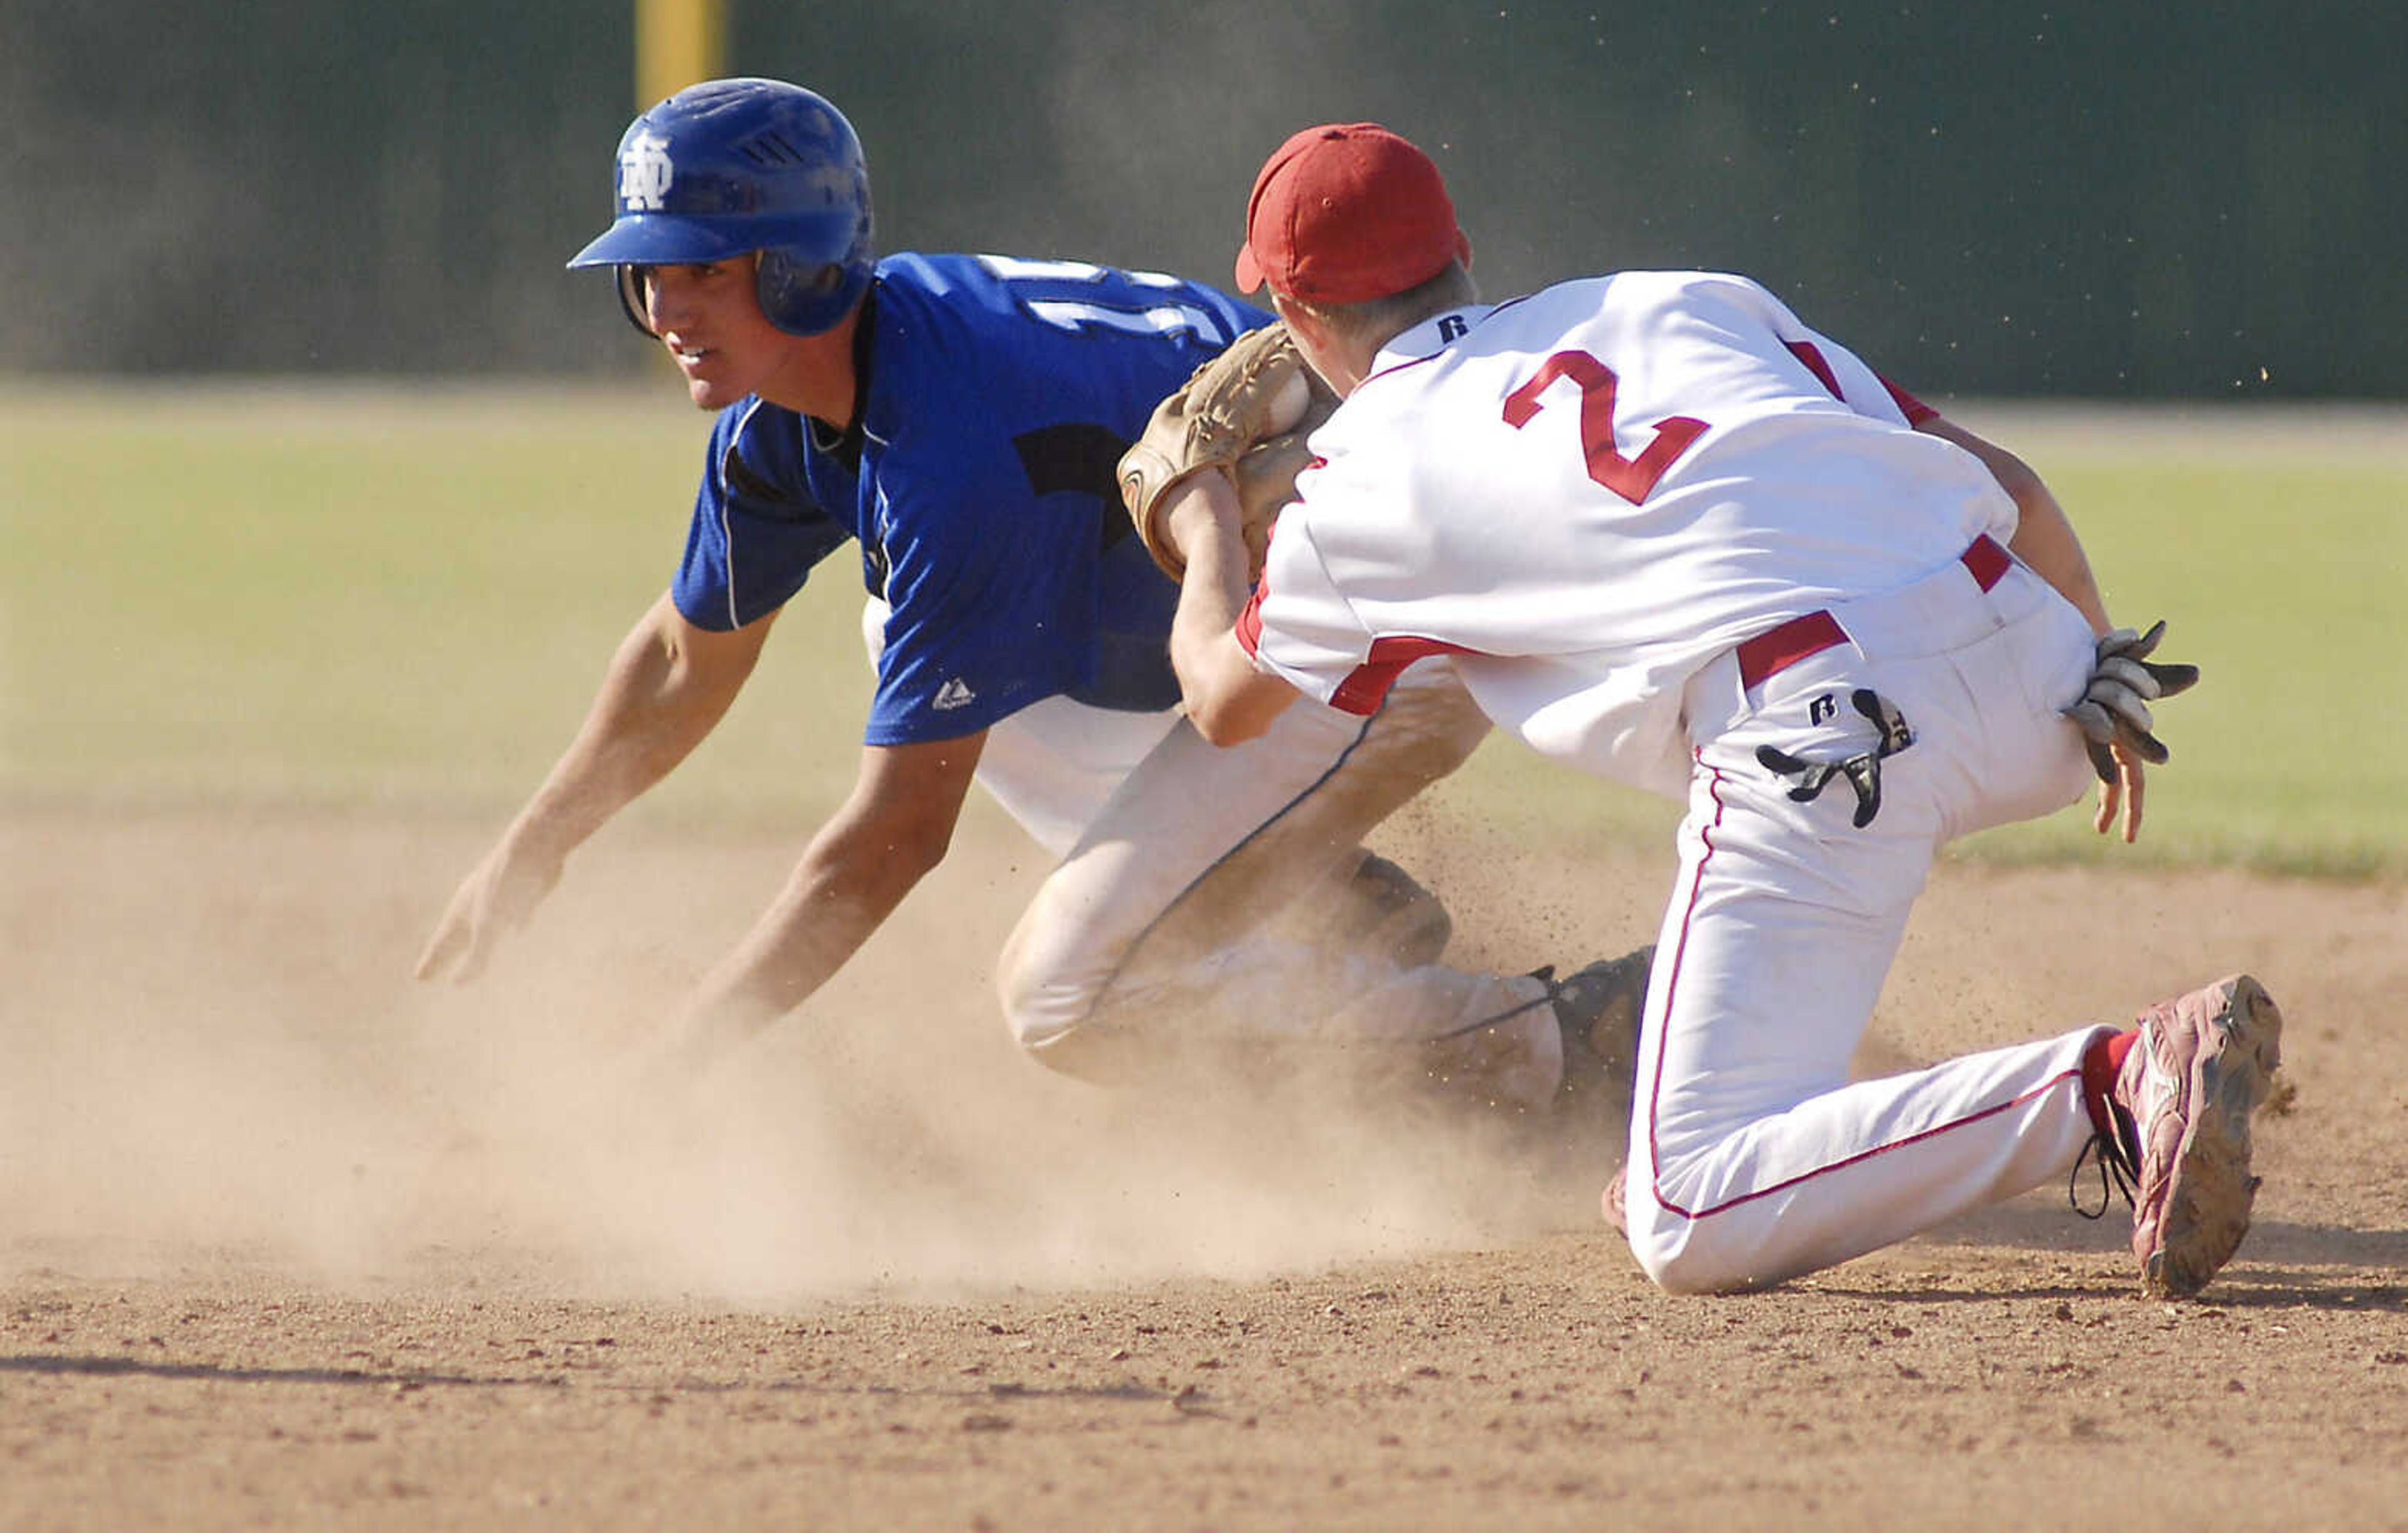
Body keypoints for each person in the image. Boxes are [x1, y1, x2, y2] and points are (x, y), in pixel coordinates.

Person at [1159, 119, 2283, 1299]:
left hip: (1829, 731)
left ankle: (2112, 1080)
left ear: (1294, 314)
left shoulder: (1360, 487)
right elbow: (2003, 482)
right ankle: (1726, 1097)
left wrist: (1197, 519)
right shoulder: (1679, 301)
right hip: (2040, 673)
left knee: (1687, 1209)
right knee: (1743, 858)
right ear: (1462, 251)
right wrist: (2088, 651)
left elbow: (1224, 706)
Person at [415, 78, 1649, 1132]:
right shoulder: (790, 419)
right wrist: (539, 837)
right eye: (649, 277)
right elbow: (689, 659)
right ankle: (1322, 906)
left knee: (1073, 994)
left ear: (795, 266)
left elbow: (885, 844)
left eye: (700, 272)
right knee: (903, 632)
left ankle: (1570, 1041)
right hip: (1253, 606)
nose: (667, 311)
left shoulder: (946, 464)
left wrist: (671, 1066)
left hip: (1386, 607)